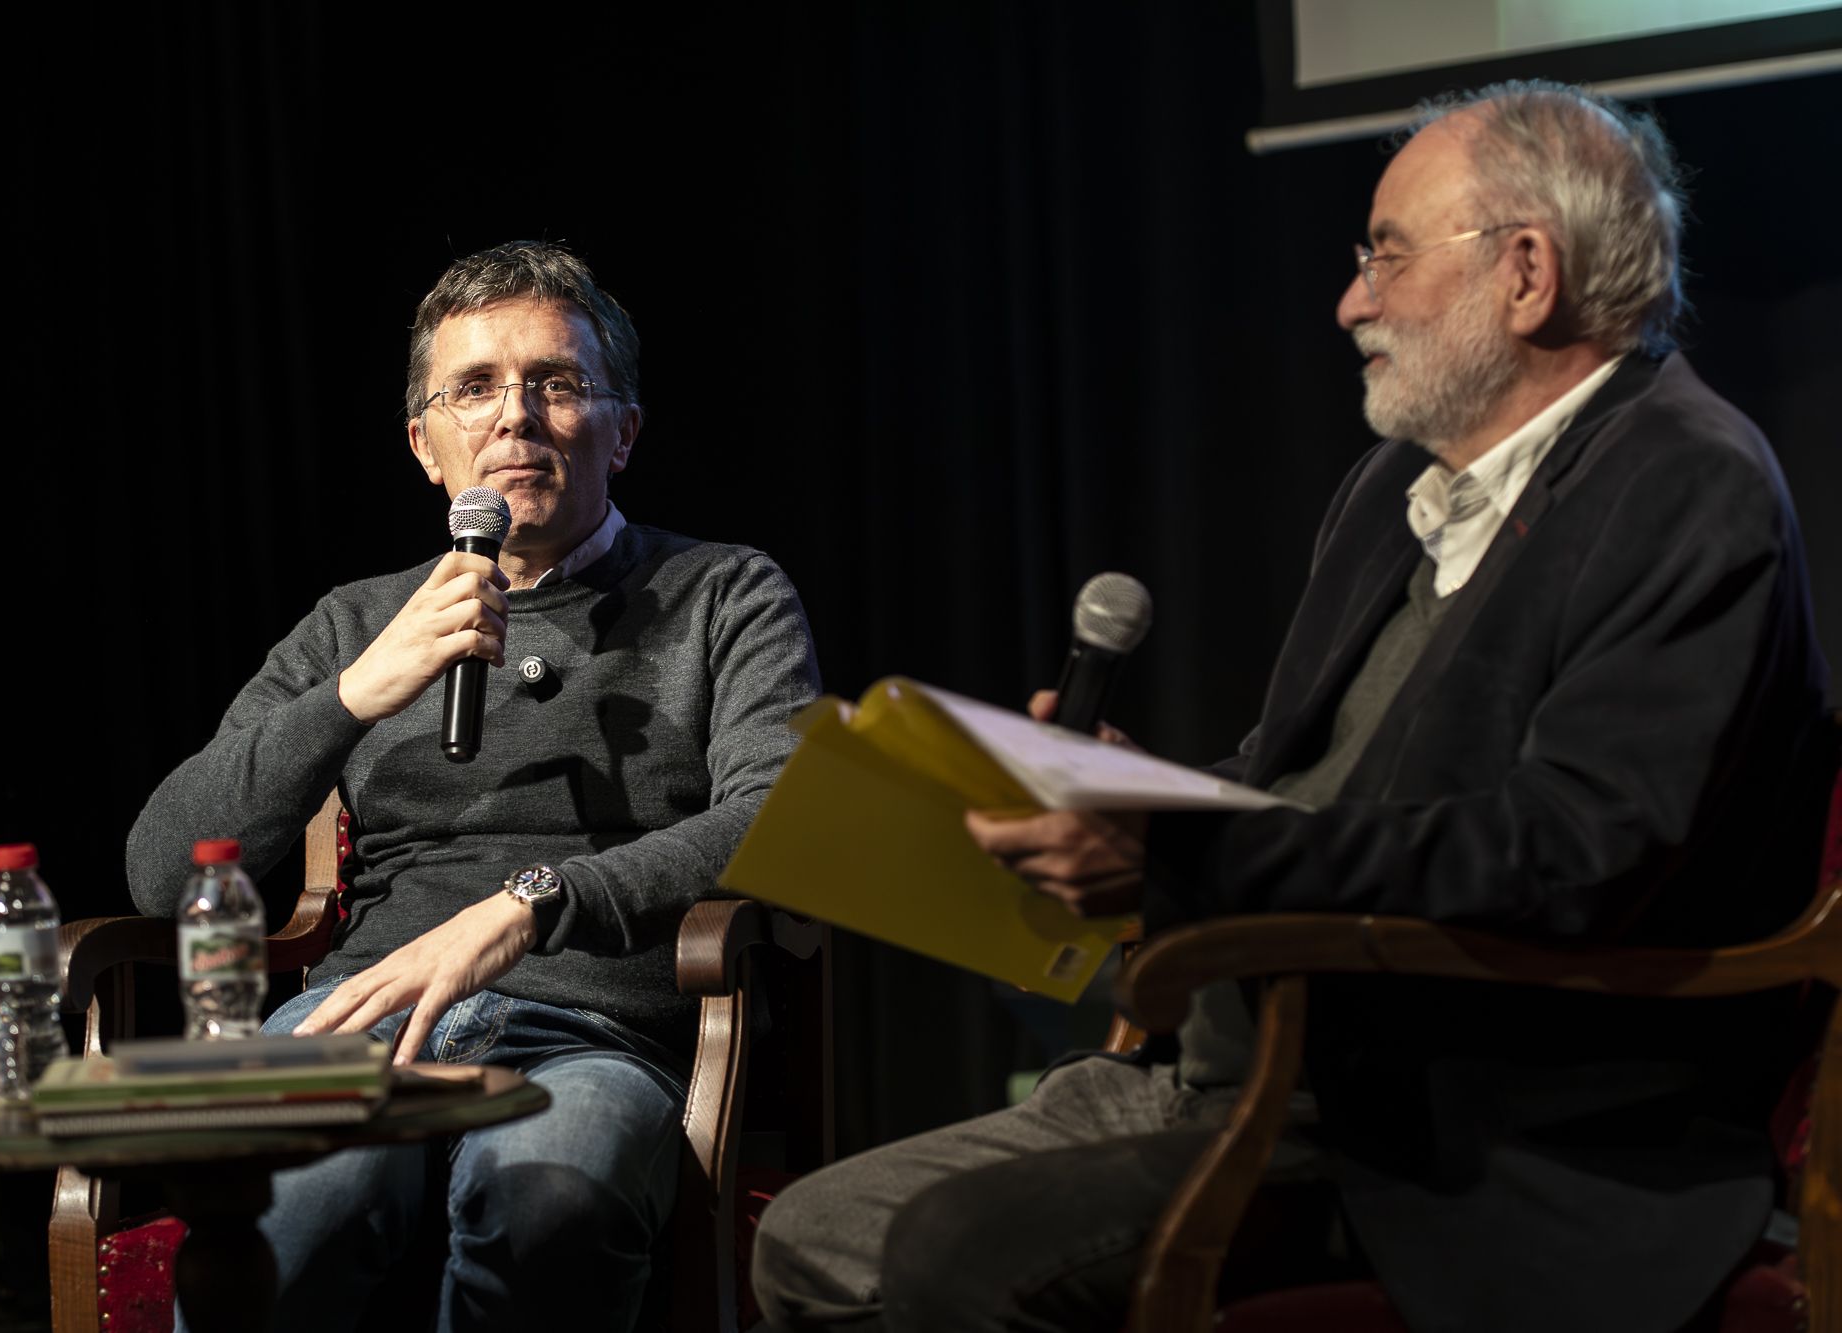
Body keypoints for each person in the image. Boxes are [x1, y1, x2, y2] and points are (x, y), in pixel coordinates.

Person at [750, 81, 1827, 1333]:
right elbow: (1297, 788)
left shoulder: (1686, 483)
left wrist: (1182, 851)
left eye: (1383, 252)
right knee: (809, 1237)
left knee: (955, 1249)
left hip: (1474, 1136)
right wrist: (1126, 792)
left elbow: (1575, 850)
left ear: (1526, 274)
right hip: (1242, 1057)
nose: (1350, 301)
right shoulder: (1390, 493)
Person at [128, 240, 820, 1332]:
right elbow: (166, 868)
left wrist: (530, 902)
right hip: (360, 1022)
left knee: (549, 1204)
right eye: (475, 388)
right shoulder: (356, 624)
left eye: (556, 383)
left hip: (597, 1034)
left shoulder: (721, 592)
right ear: (424, 444)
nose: (515, 417)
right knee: (287, 1221)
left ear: (622, 430)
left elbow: (780, 815)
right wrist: (356, 691)